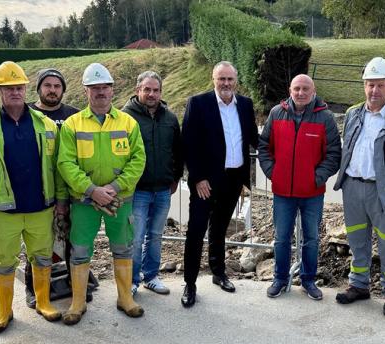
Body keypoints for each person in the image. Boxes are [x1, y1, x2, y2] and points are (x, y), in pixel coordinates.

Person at [0, 61, 66, 333]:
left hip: (40, 208)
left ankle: (43, 302)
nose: (15, 92)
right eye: (8, 88)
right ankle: (4, 311)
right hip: (2, 212)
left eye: (19, 87)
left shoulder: (46, 126)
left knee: (43, 258)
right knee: (3, 263)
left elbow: (58, 168)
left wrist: (60, 201)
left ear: (26, 89)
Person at [57, 63, 146, 325]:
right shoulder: (73, 124)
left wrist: (114, 188)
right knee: (80, 250)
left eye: (105, 87)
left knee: (123, 247)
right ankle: (78, 302)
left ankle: (125, 298)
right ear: (86, 91)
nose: (101, 92)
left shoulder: (128, 123)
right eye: (95, 88)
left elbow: (138, 159)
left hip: (120, 200)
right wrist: (92, 190)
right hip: (84, 201)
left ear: (112, 90)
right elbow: (65, 163)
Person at [332, 58, 385, 316]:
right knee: (357, 240)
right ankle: (358, 284)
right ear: (364, 86)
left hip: (383, 191)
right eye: (370, 85)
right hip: (353, 187)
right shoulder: (353, 113)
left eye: (380, 85)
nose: (374, 91)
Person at [181, 61, 259, 308]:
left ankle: (218, 273)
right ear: (213, 79)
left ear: (236, 81)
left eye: (230, 79)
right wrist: (198, 178)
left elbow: (255, 139)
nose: (226, 84)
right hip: (206, 182)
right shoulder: (199, 103)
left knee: (220, 229)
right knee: (196, 231)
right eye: (221, 79)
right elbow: (188, 144)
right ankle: (190, 284)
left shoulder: (245, 105)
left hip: (233, 179)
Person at [258, 74, 341, 300]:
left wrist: (317, 177)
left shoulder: (324, 117)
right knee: (281, 237)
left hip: (312, 193)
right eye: (297, 89)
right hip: (283, 192)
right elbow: (264, 147)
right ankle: (280, 278)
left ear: (313, 91)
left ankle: (308, 280)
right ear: (290, 90)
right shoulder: (277, 113)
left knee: (312, 238)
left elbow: (333, 154)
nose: (301, 93)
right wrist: (273, 173)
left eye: (305, 89)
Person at [22, 68, 82, 309]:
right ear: (39, 88)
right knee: (39, 245)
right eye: (47, 85)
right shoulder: (28, 114)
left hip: (72, 191)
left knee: (74, 242)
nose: (52, 90)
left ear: (63, 90)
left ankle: (75, 285)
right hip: (40, 192)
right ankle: (33, 288)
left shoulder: (73, 115)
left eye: (57, 86)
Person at [122, 71, 183, 296]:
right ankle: (131, 280)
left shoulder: (169, 118)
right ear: (138, 90)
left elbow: (178, 150)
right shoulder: (125, 117)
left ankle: (151, 276)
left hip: (163, 189)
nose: (151, 94)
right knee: (135, 238)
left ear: (161, 92)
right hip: (137, 190)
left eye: (155, 90)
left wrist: (176, 177)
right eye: (147, 89)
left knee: (156, 235)